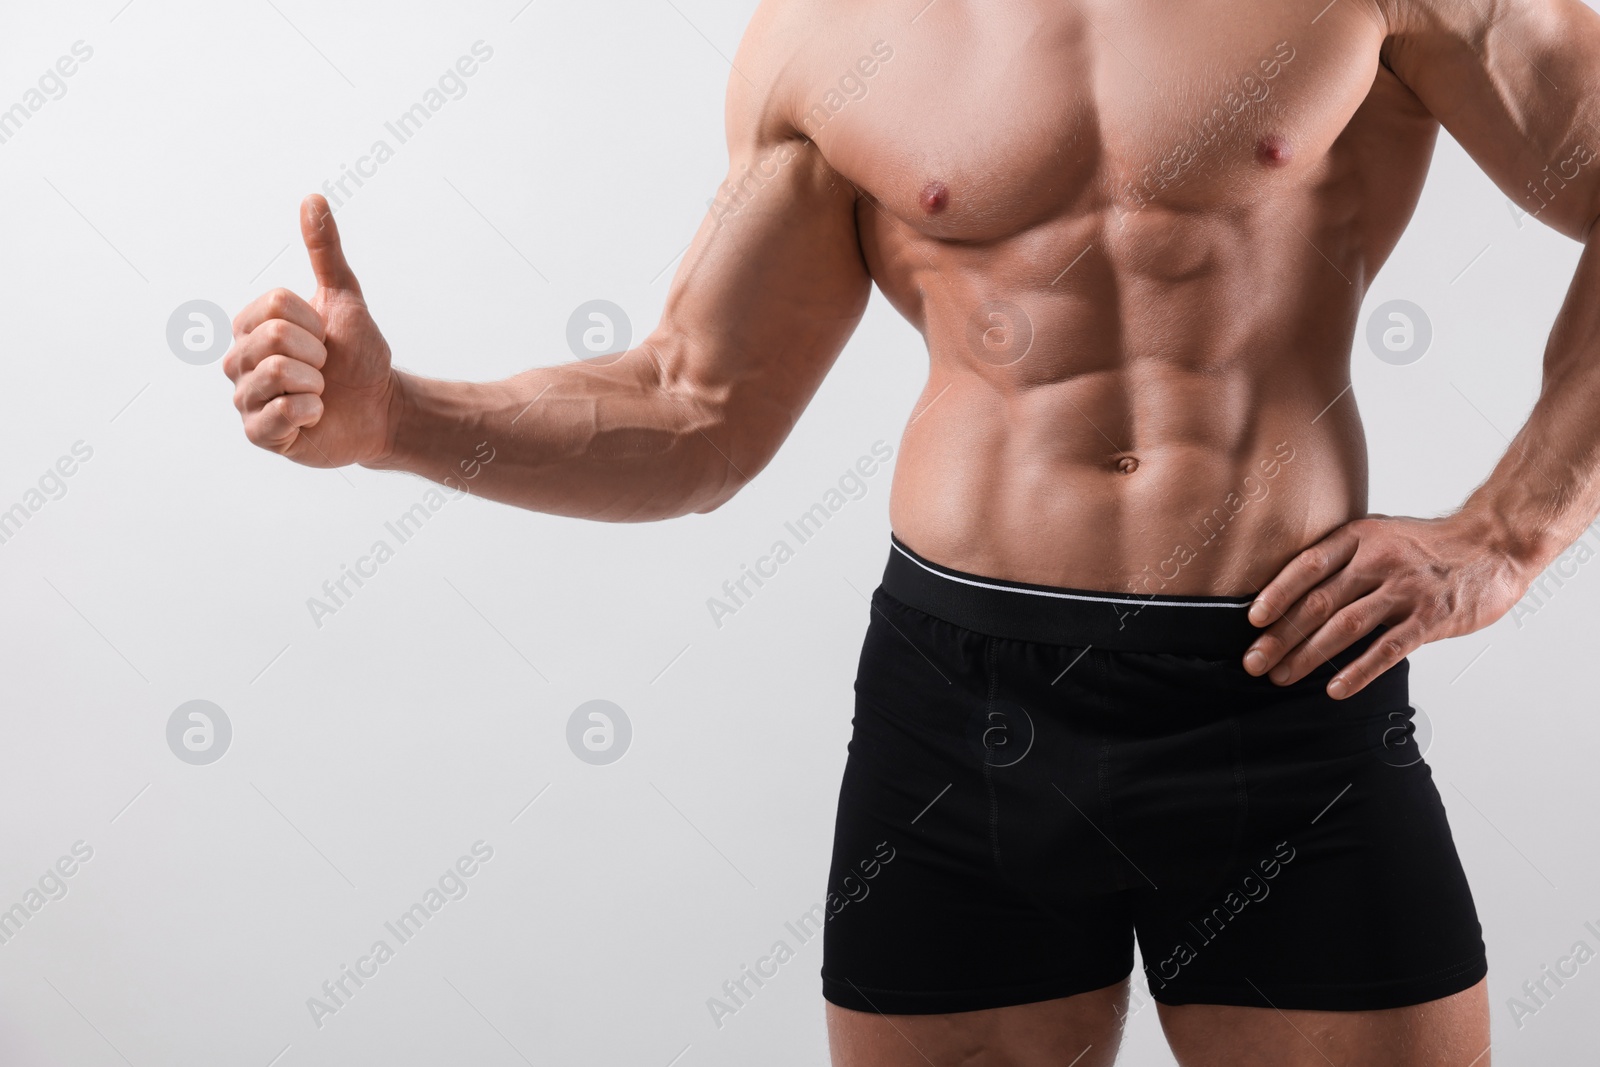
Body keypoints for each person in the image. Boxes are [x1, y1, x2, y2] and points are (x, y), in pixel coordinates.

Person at [223, 0, 1600, 1061]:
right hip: (965, 717)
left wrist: (1508, 535)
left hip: (1284, 688)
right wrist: (397, 420)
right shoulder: (837, 32)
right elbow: (693, 410)